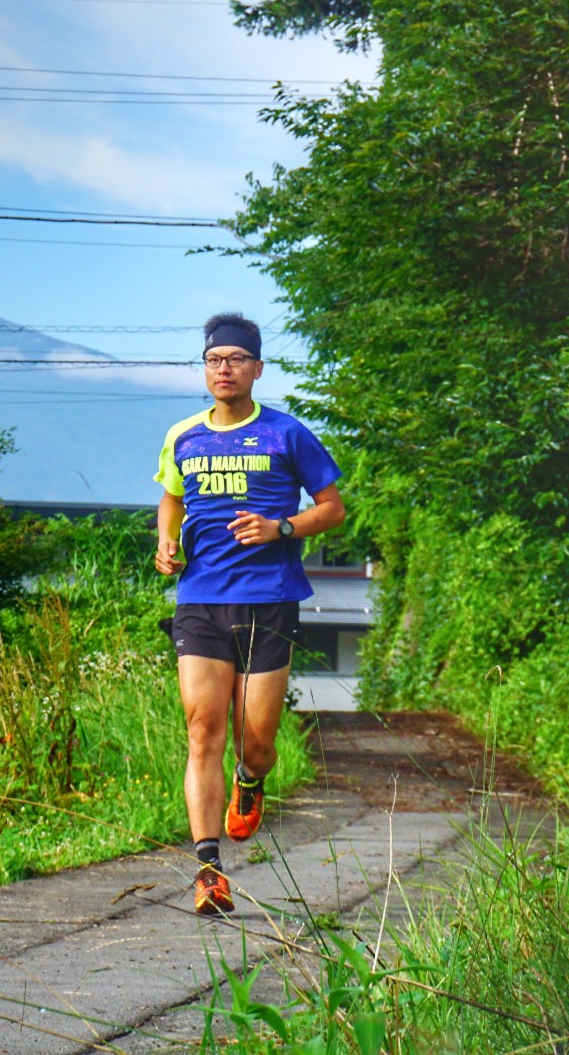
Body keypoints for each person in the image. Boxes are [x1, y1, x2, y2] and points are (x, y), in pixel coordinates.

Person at [153, 313, 344, 915]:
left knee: (255, 741)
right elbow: (171, 495)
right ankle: (208, 871)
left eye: (236, 359)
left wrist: (280, 527)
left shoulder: (287, 434)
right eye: (214, 360)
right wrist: (167, 542)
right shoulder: (184, 434)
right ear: (204, 368)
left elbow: (333, 508)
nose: (224, 369)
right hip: (201, 600)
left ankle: (253, 779)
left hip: (269, 599)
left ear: (257, 369)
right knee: (202, 731)